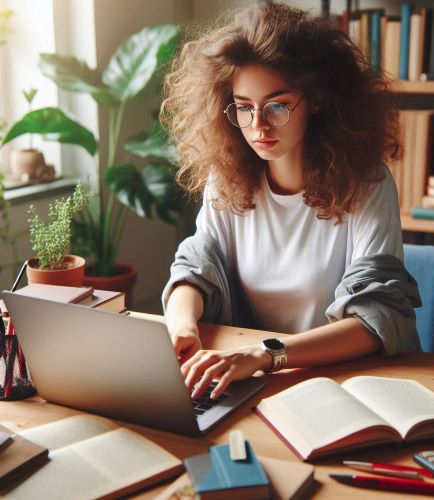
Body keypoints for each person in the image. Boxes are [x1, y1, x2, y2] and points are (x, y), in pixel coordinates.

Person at [160, 2, 420, 401]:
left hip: (345, 383)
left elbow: (376, 320)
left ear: (315, 99)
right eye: (244, 108)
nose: (258, 126)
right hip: (256, 384)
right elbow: (196, 267)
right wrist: (182, 329)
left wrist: (263, 355)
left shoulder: (366, 183)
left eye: (276, 106)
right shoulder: (227, 179)